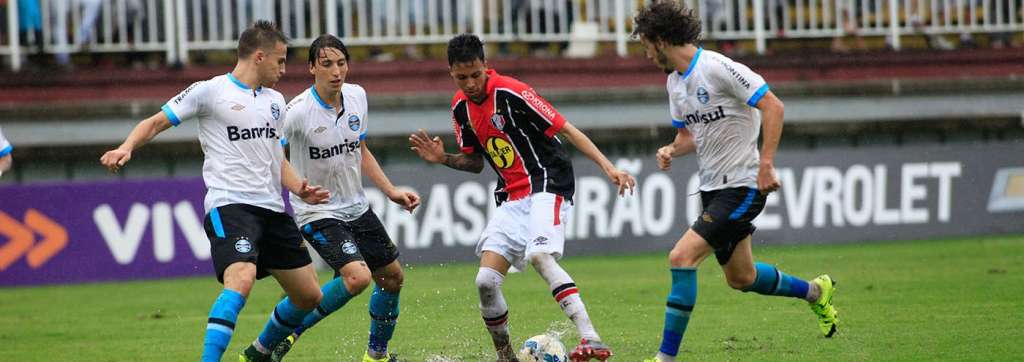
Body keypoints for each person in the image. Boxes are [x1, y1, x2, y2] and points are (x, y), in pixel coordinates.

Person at [99, 21, 330, 362]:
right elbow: (155, 122)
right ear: (259, 56)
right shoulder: (210, 91)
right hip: (231, 205)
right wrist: (127, 147)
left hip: (272, 209)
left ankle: (259, 353)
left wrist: (299, 187)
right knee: (242, 277)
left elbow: (274, 157)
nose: (284, 69)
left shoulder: (276, 102)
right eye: (280, 61)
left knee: (309, 296)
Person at [630, 3, 839, 361]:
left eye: (647, 44)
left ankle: (665, 358)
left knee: (681, 258)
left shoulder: (718, 68)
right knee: (741, 277)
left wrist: (767, 164)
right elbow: (690, 137)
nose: (646, 53)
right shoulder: (674, 83)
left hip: (742, 185)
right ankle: (816, 293)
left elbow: (773, 106)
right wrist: (670, 150)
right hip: (712, 189)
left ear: (661, 40)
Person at [409, 34, 636, 362]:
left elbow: (567, 129)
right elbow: (474, 163)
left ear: (485, 66)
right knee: (485, 280)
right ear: (451, 74)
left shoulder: (513, 91)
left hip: (548, 182)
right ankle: (506, 357)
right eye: (462, 77)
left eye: (476, 74)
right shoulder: (460, 108)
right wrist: (443, 158)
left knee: (539, 255)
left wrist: (609, 168)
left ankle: (591, 338)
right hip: (511, 197)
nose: (471, 83)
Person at [268, 34, 421, 362]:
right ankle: (291, 331)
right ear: (312, 68)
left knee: (392, 278)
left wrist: (391, 190)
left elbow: (360, 150)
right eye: (326, 64)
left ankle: (375, 356)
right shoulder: (295, 113)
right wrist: (298, 189)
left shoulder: (357, 97)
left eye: (341, 63)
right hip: (317, 211)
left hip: (356, 207)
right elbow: (272, 158)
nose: (336, 71)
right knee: (357, 277)